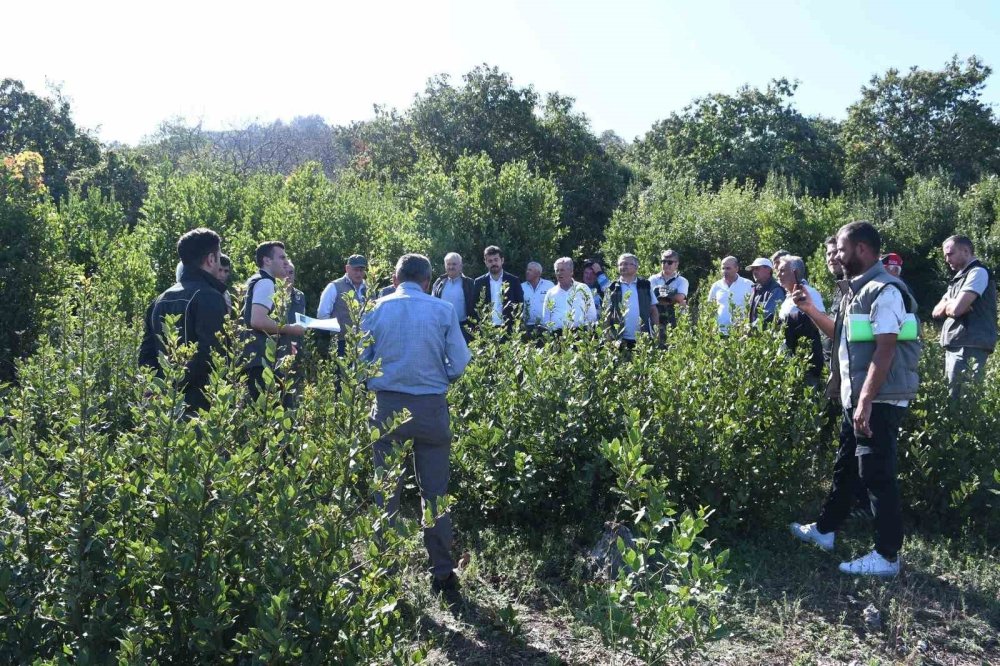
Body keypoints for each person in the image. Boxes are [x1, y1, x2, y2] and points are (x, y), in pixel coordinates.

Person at [790, 221, 921, 577]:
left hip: (878, 399)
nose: (837, 257)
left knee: (876, 473)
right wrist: (811, 311)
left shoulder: (885, 291)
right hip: (859, 397)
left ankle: (887, 556)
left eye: (842, 251)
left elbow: (886, 349)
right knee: (847, 465)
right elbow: (843, 336)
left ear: (862, 249)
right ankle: (825, 531)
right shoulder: (856, 290)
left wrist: (864, 401)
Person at [361, 253, 471, 595]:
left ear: (395, 279)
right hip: (431, 408)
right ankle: (441, 573)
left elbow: (357, 361)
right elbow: (460, 361)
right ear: (427, 281)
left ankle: (383, 570)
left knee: (386, 492)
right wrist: (440, 378)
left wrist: (373, 383)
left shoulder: (375, 309)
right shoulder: (443, 310)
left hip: (388, 406)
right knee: (435, 493)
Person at [139, 228, 230, 413]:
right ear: (211, 259)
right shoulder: (210, 296)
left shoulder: (159, 299)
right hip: (200, 406)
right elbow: (212, 355)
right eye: (219, 257)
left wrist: (160, 387)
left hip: (163, 409)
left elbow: (146, 355)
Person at [932, 235, 997, 398]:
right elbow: (936, 311)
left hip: (969, 344)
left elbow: (957, 310)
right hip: (958, 343)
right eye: (945, 255)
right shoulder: (959, 278)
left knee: (962, 400)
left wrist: (953, 305)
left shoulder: (978, 273)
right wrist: (953, 304)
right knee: (952, 397)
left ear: (966, 251)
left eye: (950, 254)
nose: (947, 259)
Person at [243, 241, 306, 401]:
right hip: (263, 362)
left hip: (257, 359)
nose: (286, 262)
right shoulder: (266, 283)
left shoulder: (257, 280)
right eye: (282, 257)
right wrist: (291, 329)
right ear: (267, 260)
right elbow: (257, 321)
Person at [775, 255, 825, 384]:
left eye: (782, 270)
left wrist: (794, 321)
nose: (778, 274)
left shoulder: (809, 293)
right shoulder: (788, 297)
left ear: (795, 272)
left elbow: (820, 323)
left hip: (805, 362)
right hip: (789, 363)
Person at [317, 255, 369, 356]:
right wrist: (334, 334)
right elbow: (322, 315)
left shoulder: (369, 288)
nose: (359, 273)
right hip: (341, 343)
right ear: (347, 268)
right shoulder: (334, 286)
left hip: (365, 343)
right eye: (355, 270)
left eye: (361, 270)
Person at [606, 253, 659, 347]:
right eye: (620, 264)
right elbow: (607, 314)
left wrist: (656, 332)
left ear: (636, 267)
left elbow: (653, 310)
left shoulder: (645, 285)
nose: (623, 266)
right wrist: (607, 337)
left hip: (643, 338)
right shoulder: (612, 287)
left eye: (626, 264)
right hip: (619, 339)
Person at [474, 246, 524, 330]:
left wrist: (516, 325)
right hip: (486, 329)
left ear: (502, 260)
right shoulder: (479, 282)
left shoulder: (513, 281)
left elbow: (520, 304)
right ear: (485, 262)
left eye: (496, 260)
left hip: (508, 329)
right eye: (490, 261)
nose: (493, 263)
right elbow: (475, 305)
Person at [542, 257, 598, 331]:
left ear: (571, 271)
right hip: (557, 335)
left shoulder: (582, 288)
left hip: (579, 334)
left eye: (562, 270)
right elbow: (546, 317)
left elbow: (591, 314)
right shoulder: (551, 293)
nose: (559, 273)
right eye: (557, 270)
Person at [432, 252, 477, 342]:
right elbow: (432, 305)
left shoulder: (469, 283)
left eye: (454, 264)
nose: (451, 267)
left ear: (460, 266)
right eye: (448, 264)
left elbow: (476, 307)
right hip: (442, 328)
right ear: (445, 266)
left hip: (463, 329)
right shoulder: (439, 283)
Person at [706, 256, 754, 334]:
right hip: (719, 332)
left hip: (740, 332)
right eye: (723, 268)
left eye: (728, 268)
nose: (725, 271)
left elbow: (753, 308)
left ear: (736, 269)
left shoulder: (748, 284)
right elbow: (710, 307)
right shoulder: (716, 285)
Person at [649, 249, 688, 328]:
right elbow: (649, 299)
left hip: (675, 319)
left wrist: (659, 294)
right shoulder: (653, 279)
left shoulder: (682, 281)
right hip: (656, 318)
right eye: (663, 261)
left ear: (676, 264)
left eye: (669, 262)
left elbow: (679, 298)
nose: (666, 264)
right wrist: (672, 296)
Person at [747, 257, 786, 326]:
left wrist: (750, 328)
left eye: (757, 268)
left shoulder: (776, 290)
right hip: (755, 334)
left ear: (768, 270)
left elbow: (769, 317)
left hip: (767, 335)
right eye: (753, 269)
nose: (754, 272)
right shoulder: (756, 289)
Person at [521, 261, 555, 331]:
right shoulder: (521, 287)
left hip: (545, 326)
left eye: (530, 270)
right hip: (527, 326)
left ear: (538, 273)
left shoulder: (549, 285)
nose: (527, 272)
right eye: (527, 269)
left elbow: (555, 304)